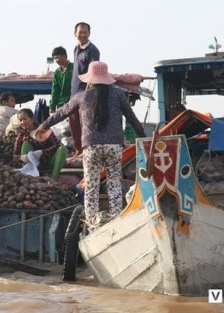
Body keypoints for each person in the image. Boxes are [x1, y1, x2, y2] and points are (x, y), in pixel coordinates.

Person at [36, 61, 145, 226]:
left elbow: (62, 112)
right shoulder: (117, 95)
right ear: (107, 79)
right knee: (114, 184)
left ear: (90, 79)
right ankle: (116, 219)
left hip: (91, 147)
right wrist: (143, 136)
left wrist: (43, 125)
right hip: (114, 146)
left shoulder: (81, 96)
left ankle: (91, 221)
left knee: (92, 186)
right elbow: (131, 118)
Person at [69, 22, 100, 157]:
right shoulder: (76, 49)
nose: (82, 35)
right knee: (73, 122)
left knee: (85, 124)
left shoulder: (93, 50)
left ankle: (86, 152)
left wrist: (88, 92)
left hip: (85, 93)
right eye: (80, 32)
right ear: (75, 33)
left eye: (85, 32)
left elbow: (93, 72)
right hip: (74, 93)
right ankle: (78, 150)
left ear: (89, 33)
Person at [13, 108, 67, 180]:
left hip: (49, 163)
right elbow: (14, 155)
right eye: (20, 120)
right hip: (33, 165)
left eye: (25, 119)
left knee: (62, 149)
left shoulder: (43, 130)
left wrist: (42, 152)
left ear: (32, 119)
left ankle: (54, 177)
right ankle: (28, 176)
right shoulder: (21, 136)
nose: (22, 122)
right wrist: (21, 157)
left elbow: (57, 145)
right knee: (25, 144)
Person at [49, 46, 73, 114]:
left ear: (65, 56)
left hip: (73, 102)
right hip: (61, 105)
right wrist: (52, 106)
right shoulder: (57, 72)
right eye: (54, 58)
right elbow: (55, 90)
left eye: (57, 57)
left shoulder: (74, 68)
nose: (56, 60)